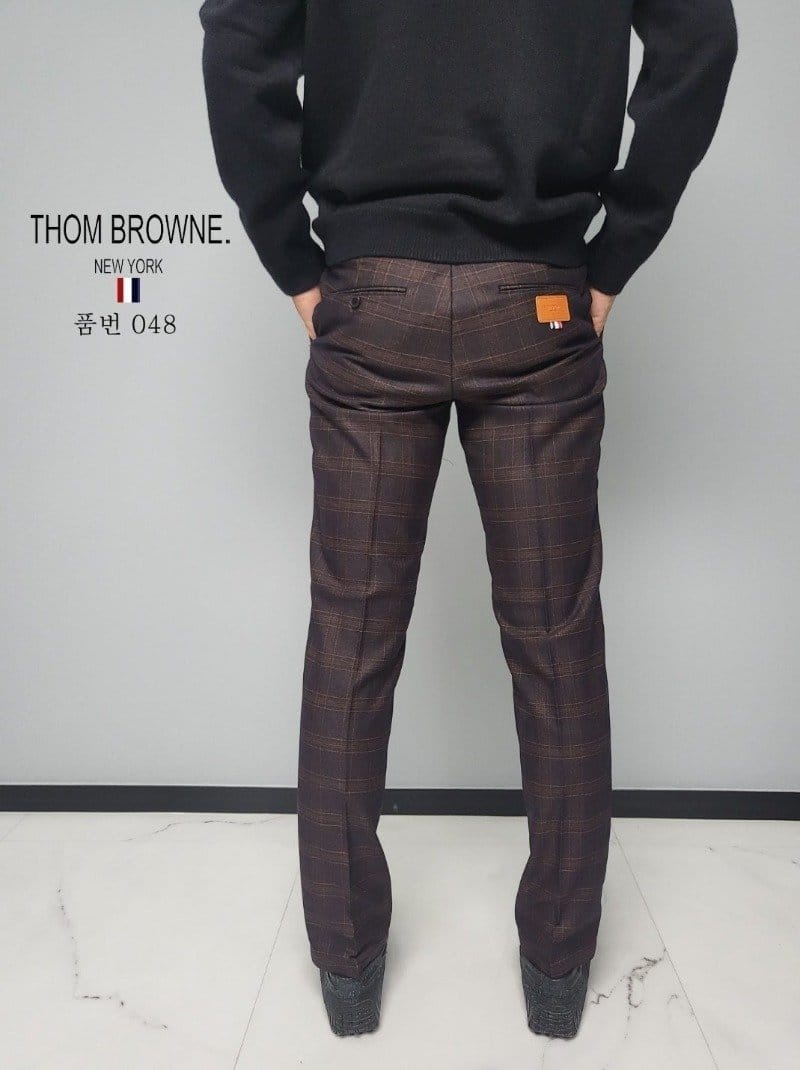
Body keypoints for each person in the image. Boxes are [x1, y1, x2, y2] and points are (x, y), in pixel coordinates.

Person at [198, 0, 737, 1041]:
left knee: (350, 639)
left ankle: (346, 973)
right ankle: (557, 973)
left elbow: (237, 40)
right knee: (555, 644)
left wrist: (294, 260)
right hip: (537, 296)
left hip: (371, 296)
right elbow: (700, 40)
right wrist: (612, 254)